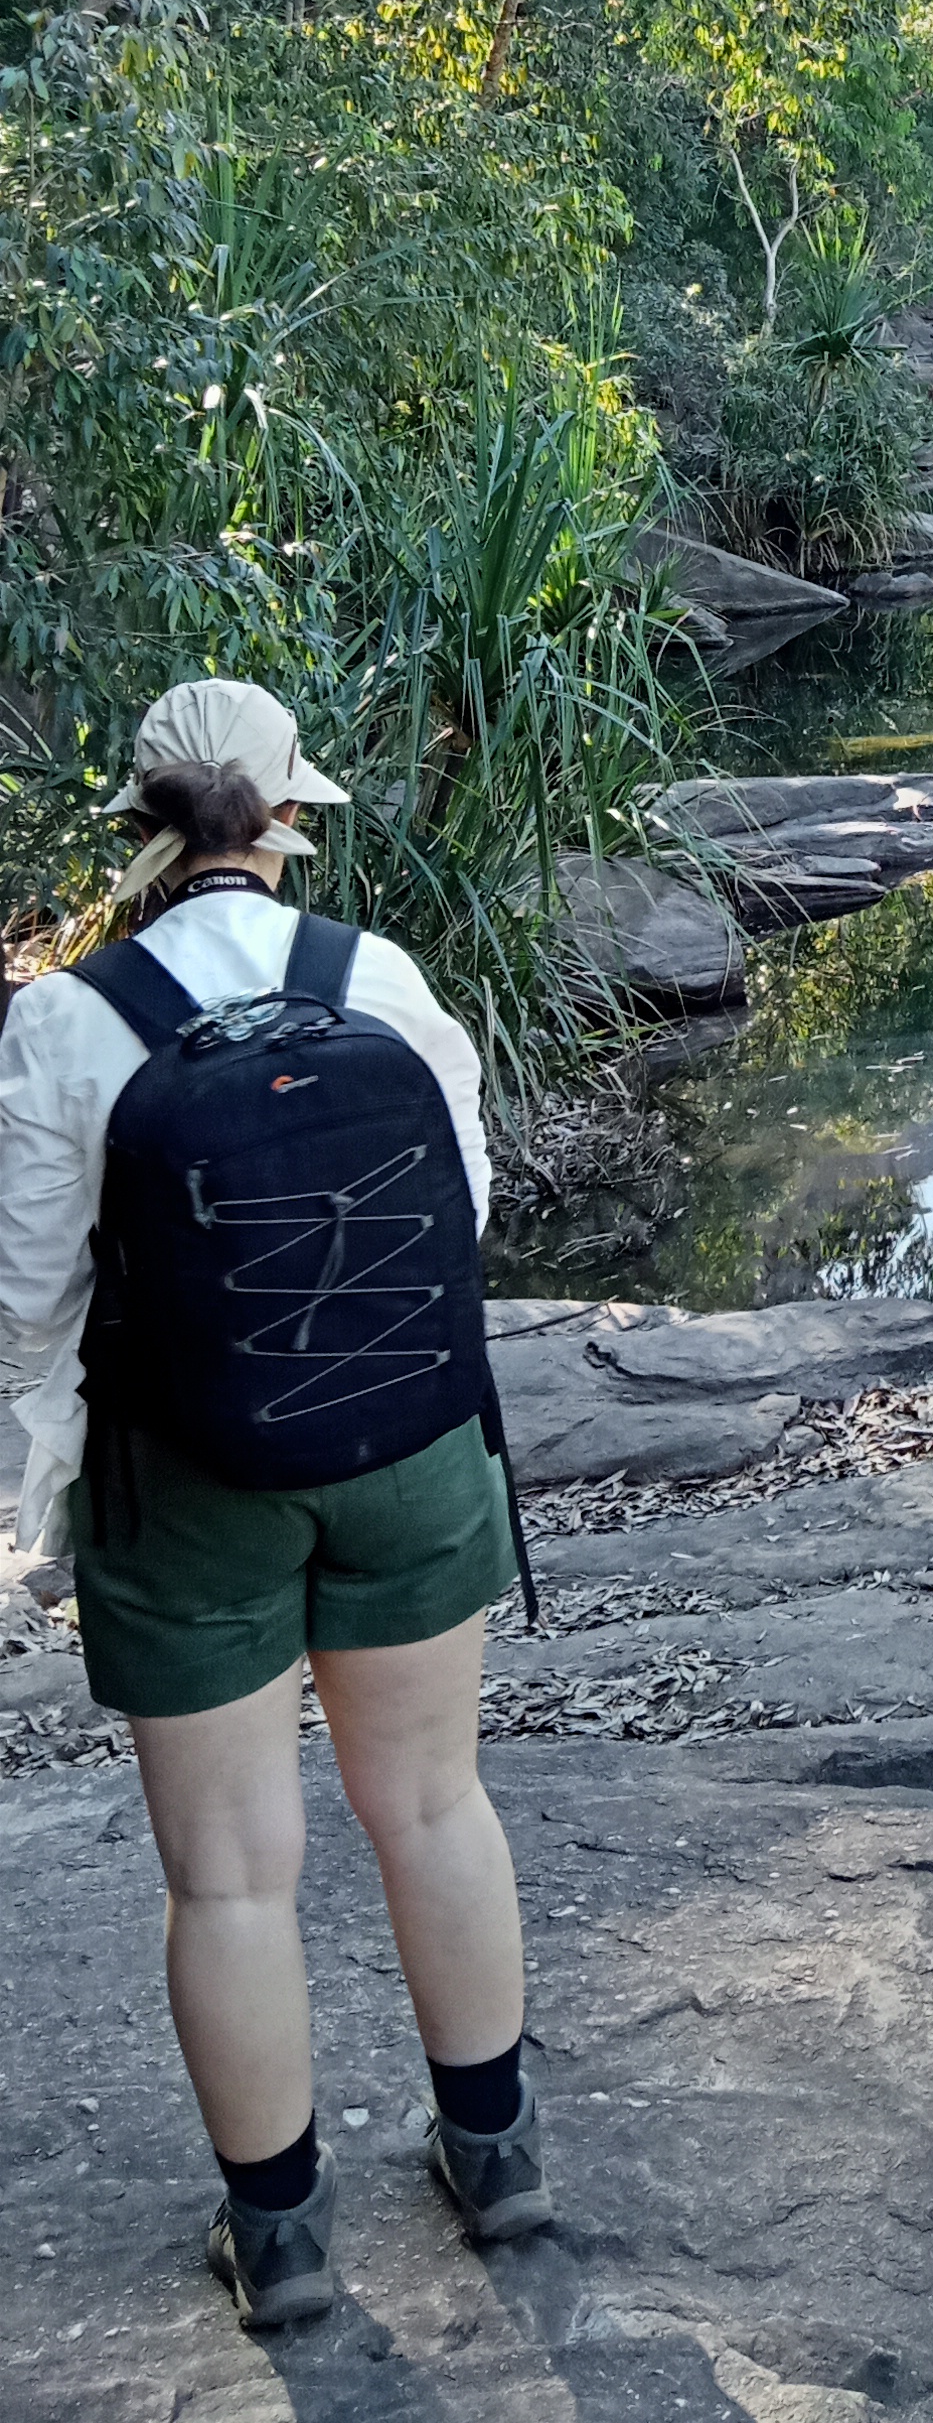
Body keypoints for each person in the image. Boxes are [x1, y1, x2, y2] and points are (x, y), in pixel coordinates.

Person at [0, 677, 548, 2332]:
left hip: (190, 1482)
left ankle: (286, 2241)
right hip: (410, 1447)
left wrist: (43, 1502)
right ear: (291, 821)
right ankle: (499, 2156)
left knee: (233, 1877)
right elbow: (463, 1204)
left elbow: (27, 1302)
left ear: (144, 831)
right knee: (434, 1806)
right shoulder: (377, 978)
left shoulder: (67, 1019)